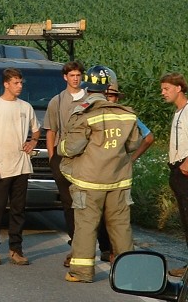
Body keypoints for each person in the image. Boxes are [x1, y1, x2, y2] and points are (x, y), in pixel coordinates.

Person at [58, 65, 141, 283]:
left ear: (87, 87)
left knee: (86, 226)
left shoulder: (86, 114)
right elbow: (134, 144)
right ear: (108, 88)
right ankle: (128, 274)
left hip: (89, 182)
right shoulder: (126, 115)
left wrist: (62, 146)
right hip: (119, 181)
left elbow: (71, 148)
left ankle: (82, 272)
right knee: (121, 227)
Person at [0, 68, 40, 266]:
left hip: (22, 165)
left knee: (18, 209)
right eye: (16, 83)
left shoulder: (26, 107)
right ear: (6, 84)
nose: (20, 86)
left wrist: (32, 142)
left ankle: (16, 250)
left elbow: (37, 130)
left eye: (21, 83)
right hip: (1, 165)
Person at [44, 61, 86, 266]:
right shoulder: (57, 101)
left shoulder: (91, 99)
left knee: (87, 203)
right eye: (72, 75)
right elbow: (50, 130)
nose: (75, 79)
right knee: (69, 204)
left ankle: (98, 247)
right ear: (65, 77)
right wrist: (52, 158)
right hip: (63, 157)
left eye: (78, 75)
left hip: (85, 158)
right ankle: (75, 246)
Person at [160, 72, 188, 278]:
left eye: (166, 89)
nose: (163, 93)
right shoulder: (178, 112)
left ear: (179, 88)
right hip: (177, 170)